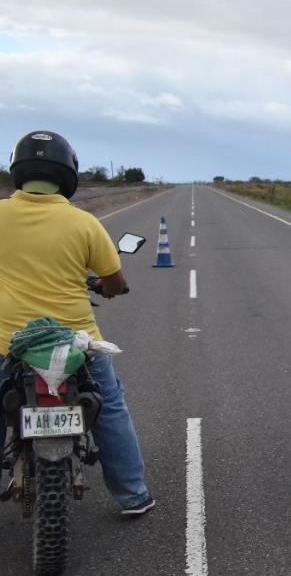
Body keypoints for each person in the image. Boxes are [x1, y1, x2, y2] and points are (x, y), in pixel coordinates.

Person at [0, 130, 154, 515]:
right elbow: (115, 281)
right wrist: (106, 286)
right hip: (75, 342)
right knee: (109, 407)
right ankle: (133, 494)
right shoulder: (84, 223)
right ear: (67, 174)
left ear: (18, 170)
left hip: (7, 341)